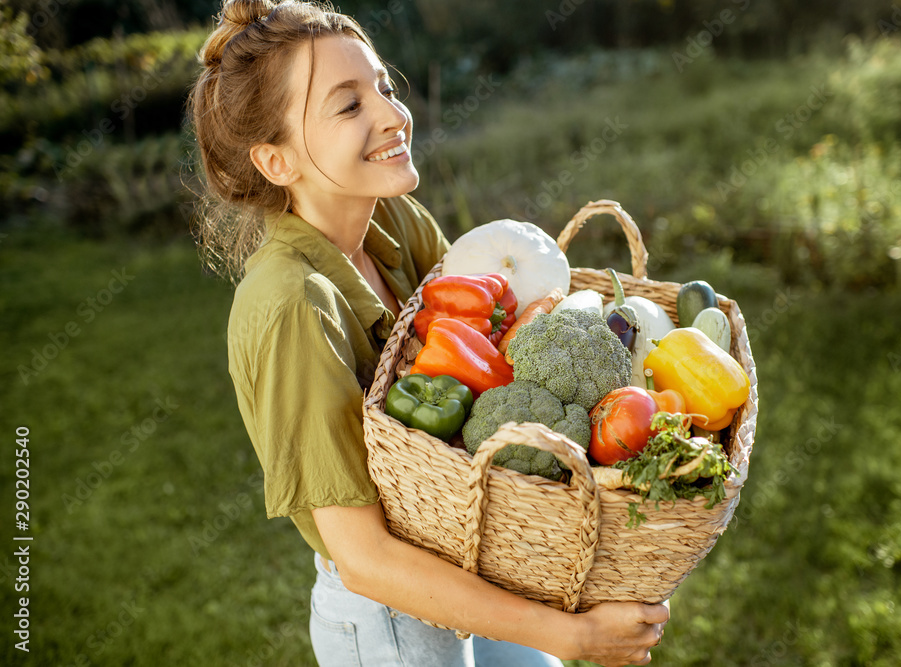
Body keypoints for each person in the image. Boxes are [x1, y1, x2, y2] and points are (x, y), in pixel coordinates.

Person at [187, 1, 670, 665]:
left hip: (470, 557)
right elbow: (364, 556)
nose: (392, 114)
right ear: (275, 160)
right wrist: (570, 634)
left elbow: (503, 355)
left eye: (383, 87)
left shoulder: (393, 224)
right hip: (392, 617)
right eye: (348, 105)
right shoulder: (291, 305)